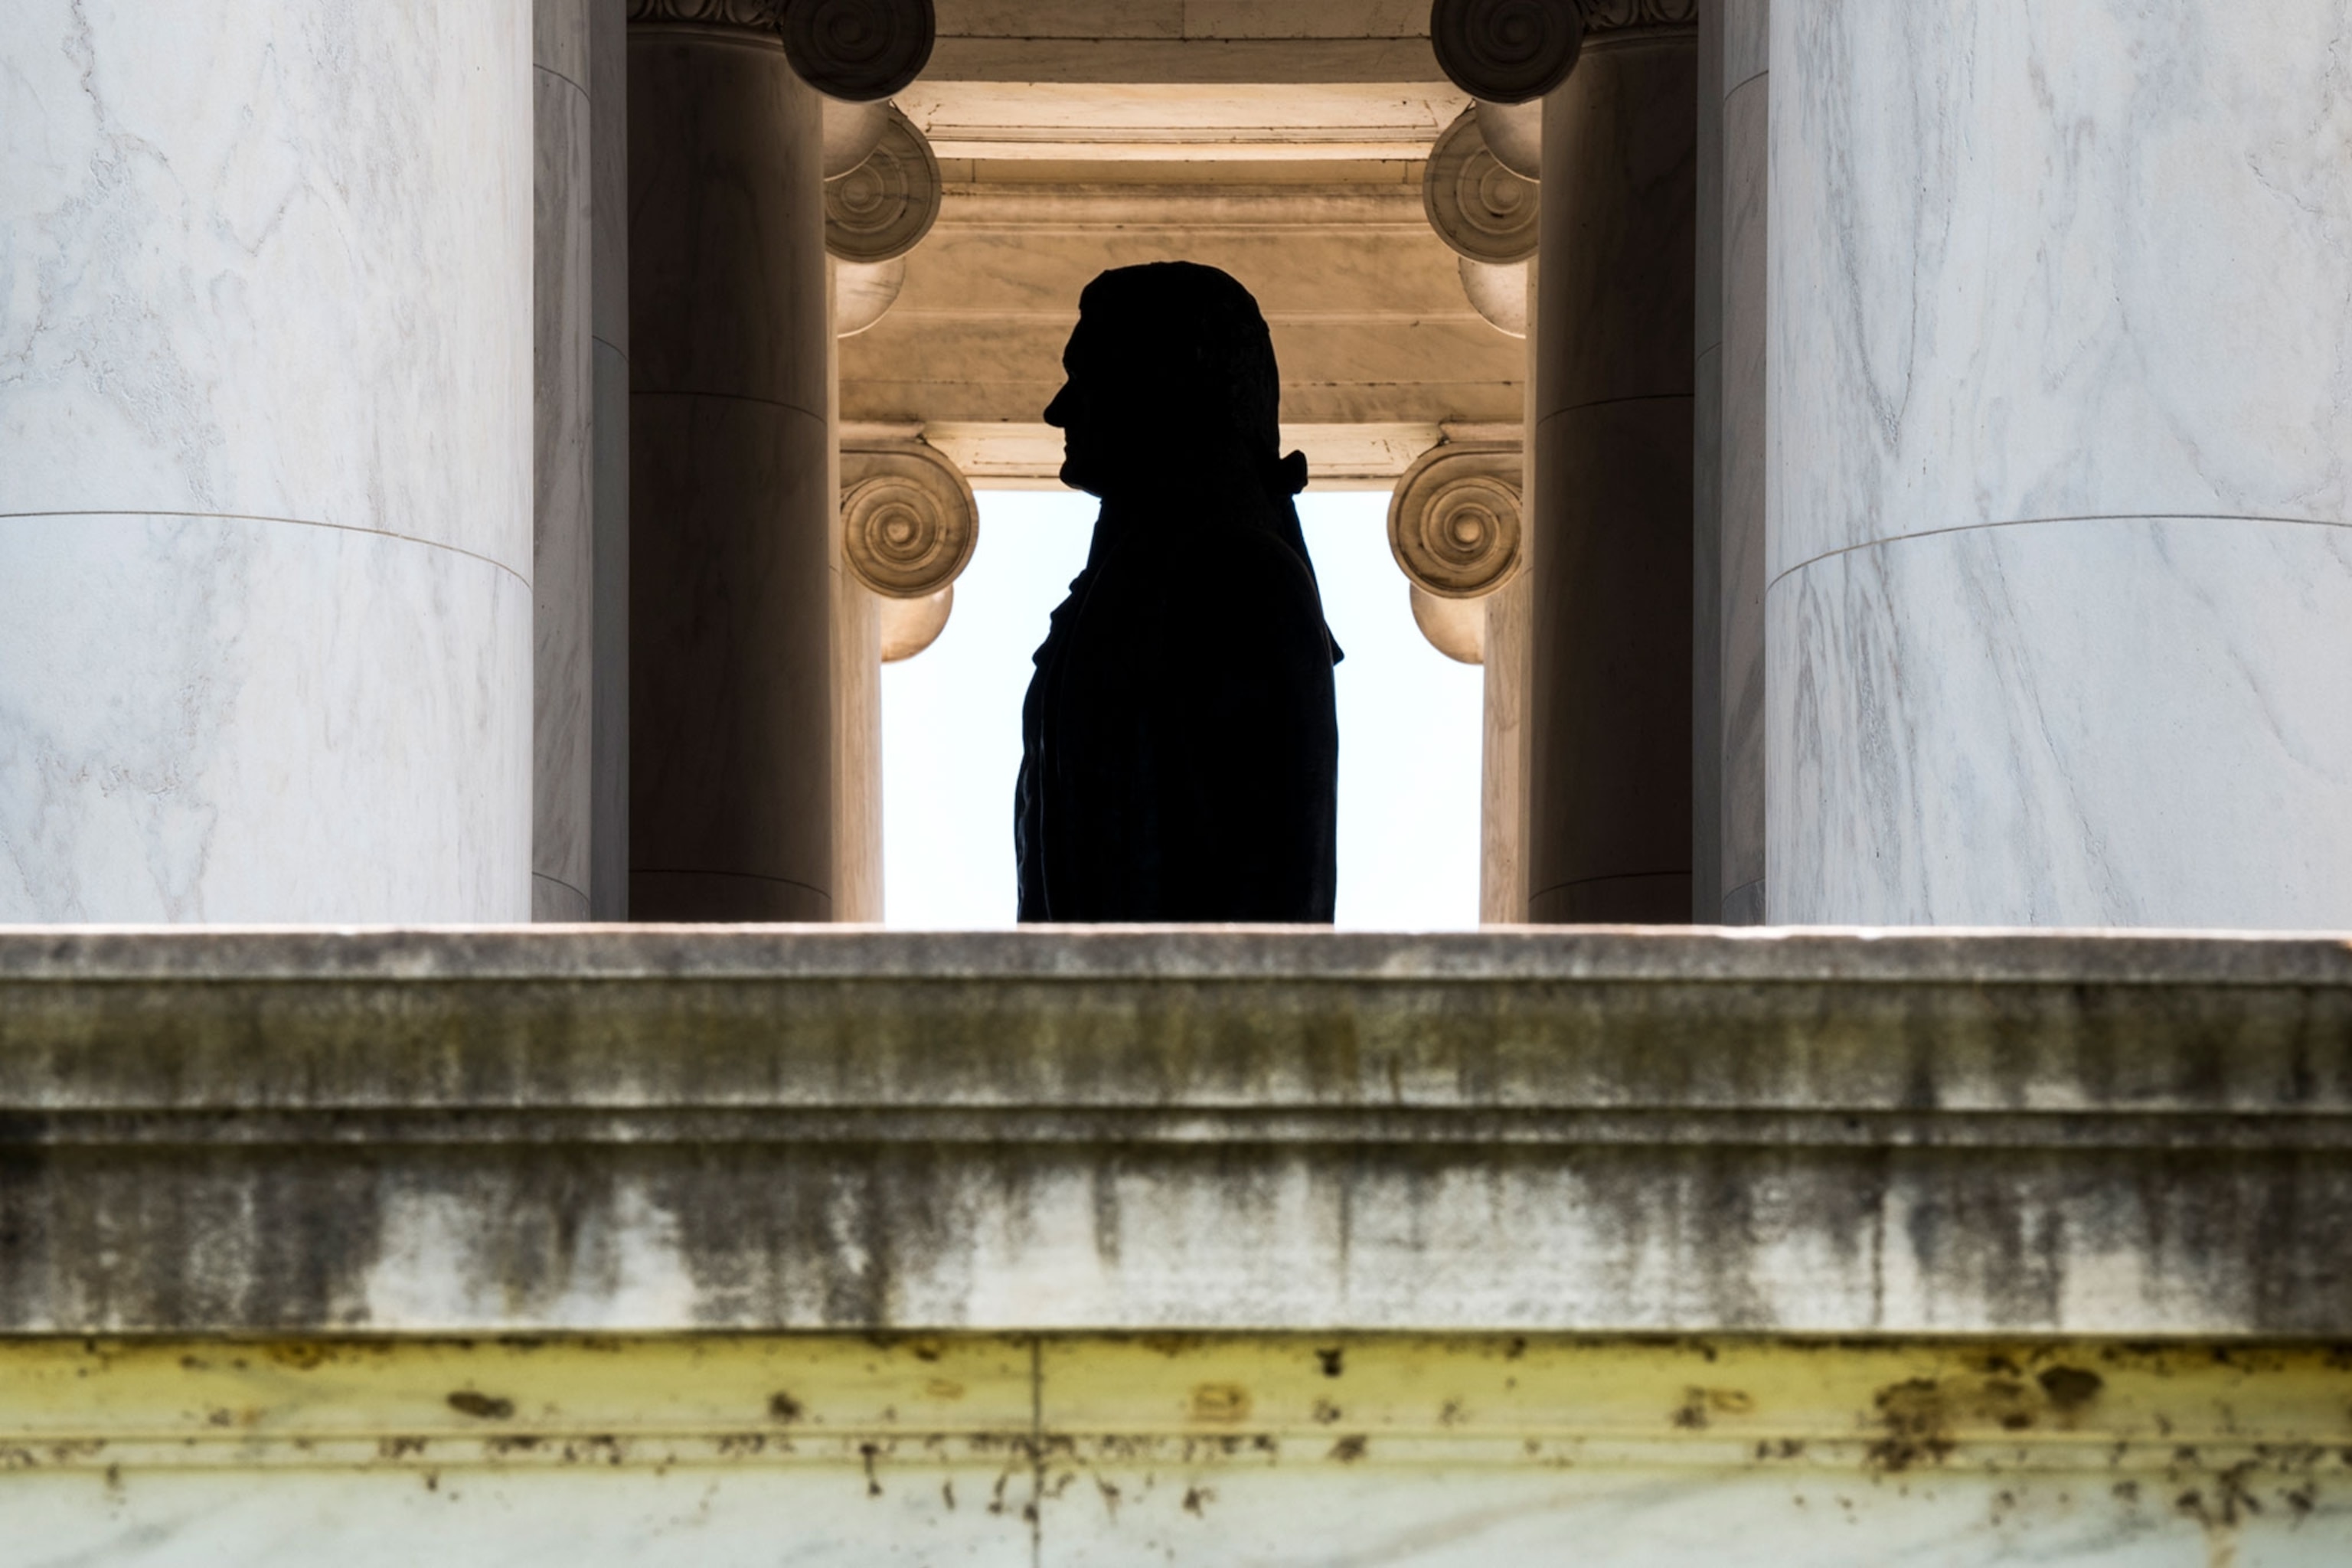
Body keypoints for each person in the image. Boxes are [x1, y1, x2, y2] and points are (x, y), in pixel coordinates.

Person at [1014, 262, 1341, 923]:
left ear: (1161, 384)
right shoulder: (1138, 583)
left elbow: (1269, 885)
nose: (1058, 411)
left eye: (1086, 377)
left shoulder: (1239, 579)